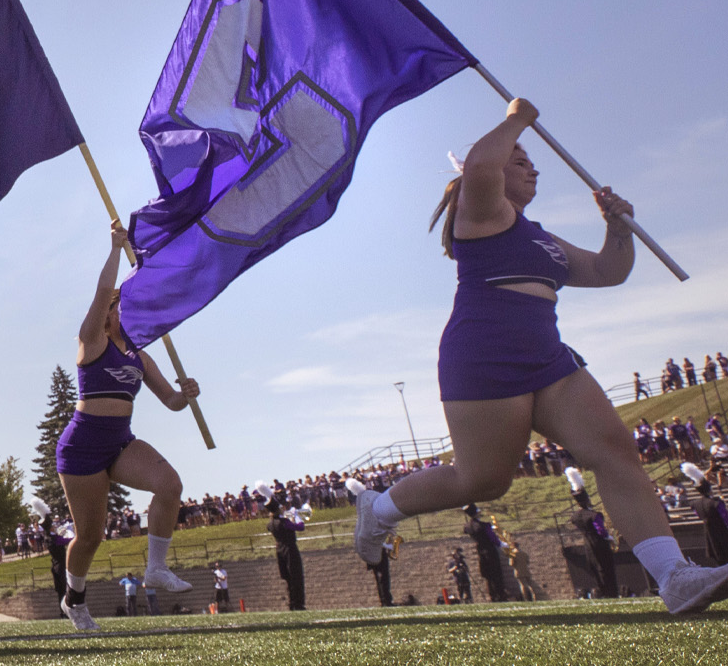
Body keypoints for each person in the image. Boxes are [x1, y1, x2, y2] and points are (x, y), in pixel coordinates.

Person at [353, 99, 728, 614]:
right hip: (485, 354)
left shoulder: (541, 237)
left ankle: (674, 578)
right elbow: (482, 165)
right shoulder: (480, 210)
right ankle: (379, 508)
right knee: (484, 480)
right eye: (521, 160)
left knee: (615, 449)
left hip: (548, 357)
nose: (533, 167)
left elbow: (606, 272)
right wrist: (517, 118)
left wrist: (617, 229)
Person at [55, 226, 201, 631]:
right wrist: (116, 249)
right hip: (81, 447)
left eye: (116, 306)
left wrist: (185, 394)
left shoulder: (140, 356)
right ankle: (75, 601)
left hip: (120, 444)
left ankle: (156, 568)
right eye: (110, 306)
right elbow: (102, 291)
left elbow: (170, 402)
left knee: (170, 485)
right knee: (90, 537)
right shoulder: (91, 342)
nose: (112, 309)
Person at [265, 497, 305, 611]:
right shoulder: (284, 522)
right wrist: (296, 517)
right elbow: (300, 527)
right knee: (296, 576)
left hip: (279, 550)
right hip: (290, 549)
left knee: (288, 578)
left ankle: (291, 603)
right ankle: (299, 604)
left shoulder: (271, 524)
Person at [463, 505, 508, 602]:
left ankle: (492, 595)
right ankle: (500, 595)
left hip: (480, 550)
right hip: (489, 550)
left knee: (488, 575)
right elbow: (493, 539)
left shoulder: (467, 526)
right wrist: (502, 544)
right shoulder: (485, 525)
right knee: (496, 573)